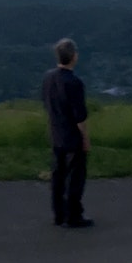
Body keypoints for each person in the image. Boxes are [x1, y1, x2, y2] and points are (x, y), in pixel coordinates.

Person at [38, 38, 93, 228]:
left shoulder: (48, 78)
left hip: (55, 132)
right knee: (75, 177)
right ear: (74, 57)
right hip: (72, 135)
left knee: (58, 175)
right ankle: (73, 214)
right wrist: (85, 138)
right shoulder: (74, 83)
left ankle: (59, 213)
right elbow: (80, 116)